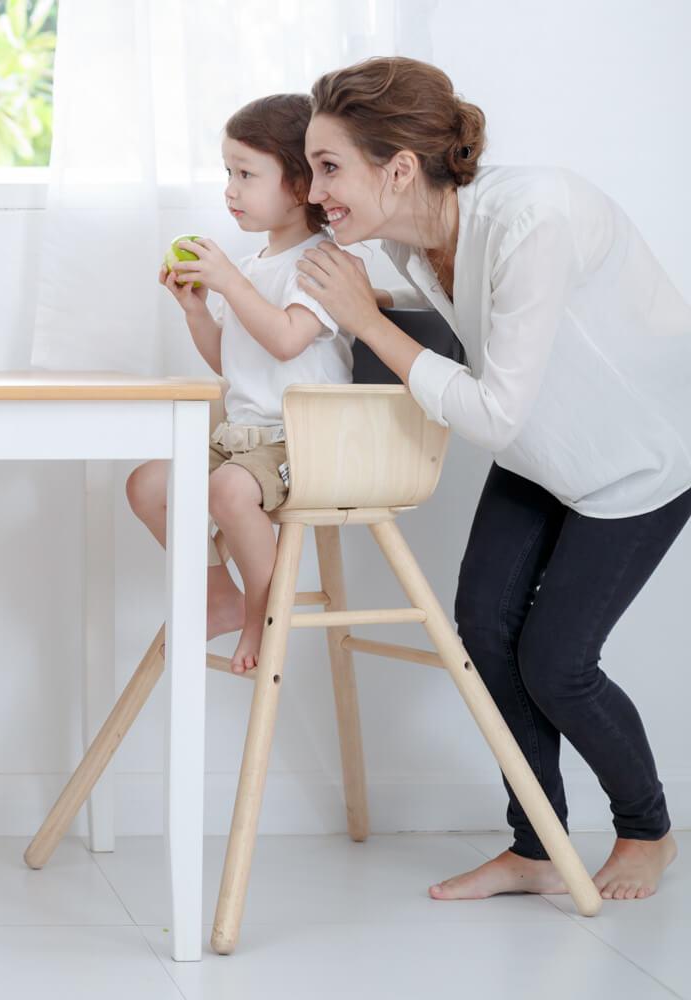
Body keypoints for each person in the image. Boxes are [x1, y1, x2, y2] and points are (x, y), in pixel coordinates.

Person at [296, 56, 691, 902]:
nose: (314, 189)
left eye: (330, 167)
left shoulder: (532, 217)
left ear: (398, 168)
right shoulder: (409, 239)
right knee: (483, 631)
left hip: (638, 456)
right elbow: (475, 343)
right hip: (542, 450)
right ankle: (538, 844)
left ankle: (648, 830)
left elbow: (490, 411)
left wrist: (365, 316)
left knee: (558, 663)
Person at [126, 93, 353, 673]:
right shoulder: (254, 268)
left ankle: (260, 610)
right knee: (148, 483)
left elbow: (285, 339)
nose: (230, 189)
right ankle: (217, 594)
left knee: (227, 491)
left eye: (247, 174)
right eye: (229, 172)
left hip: (299, 440)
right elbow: (233, 362)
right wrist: (198, 310)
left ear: (300, 186)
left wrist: (229, 284)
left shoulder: (320, 266)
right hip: (242, 438)